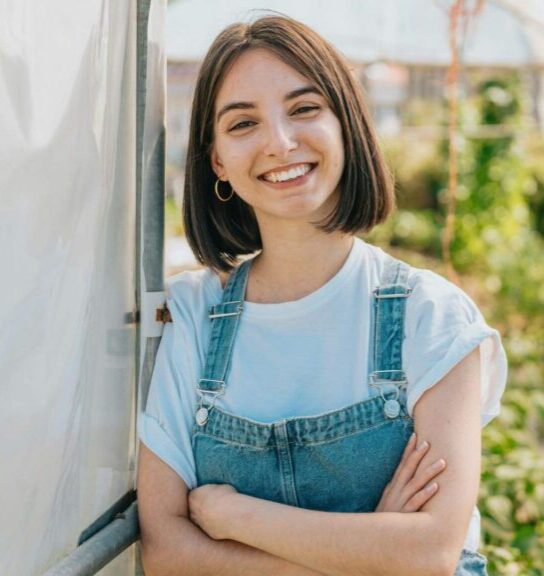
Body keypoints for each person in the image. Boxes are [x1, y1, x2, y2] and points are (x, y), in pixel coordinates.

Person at [136, 13, 507, 576]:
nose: (280, 143)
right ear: (216, 160)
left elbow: (429, 552)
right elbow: (167, 552)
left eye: (304, 109)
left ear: (345, 124)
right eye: (242, 124)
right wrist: (370, 553)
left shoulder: (431, 316)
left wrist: (234, 516)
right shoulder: (193, 314)